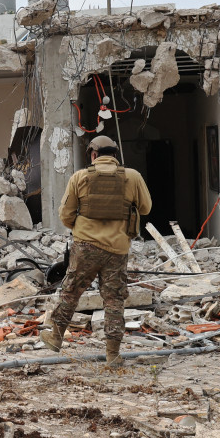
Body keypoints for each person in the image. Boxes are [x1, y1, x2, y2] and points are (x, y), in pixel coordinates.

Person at [41, 135, 152, 367]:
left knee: (71, 291)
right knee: (114, 300)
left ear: (93, 155)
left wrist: (84, 229)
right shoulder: (132, 177)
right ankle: (113, 355)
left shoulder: (80, 177)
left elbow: (65, 215)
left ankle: (55, 338)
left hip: (85, 247)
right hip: (118, 248)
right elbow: (145, 207)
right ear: (115, 156)